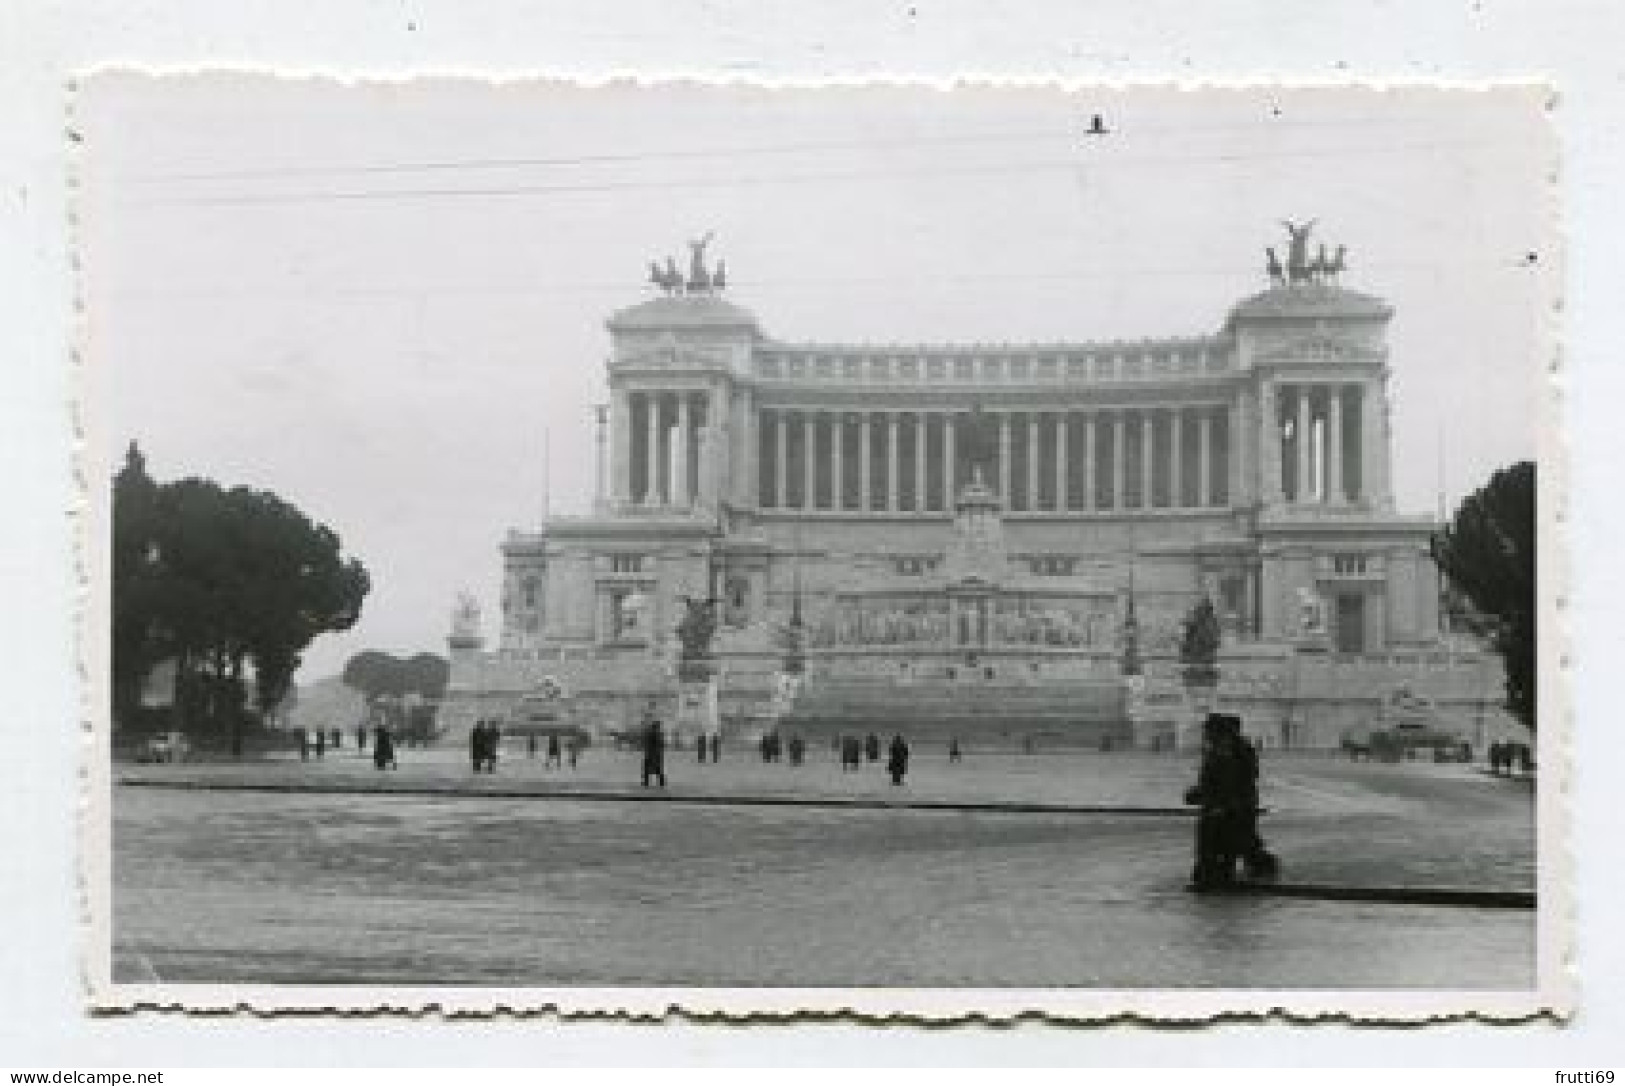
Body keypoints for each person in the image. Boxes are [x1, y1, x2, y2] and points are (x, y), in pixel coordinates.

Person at [642, 716, 667, 788]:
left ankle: (647, 783)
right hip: (656, 754)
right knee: (658, 769)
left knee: (648, 769)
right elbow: (661, 744)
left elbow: (649, 744)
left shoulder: (652, 733)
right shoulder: (659, 734)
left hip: (652, 754)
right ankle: (661, 783)